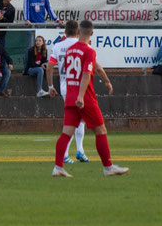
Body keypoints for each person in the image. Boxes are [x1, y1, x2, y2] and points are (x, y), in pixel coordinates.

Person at [52, 20, 128, 178]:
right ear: (92, 33)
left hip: (70, 95)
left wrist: (78, 94)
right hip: (84, 97)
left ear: (78, 31)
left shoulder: (70, 50)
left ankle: (58, 166)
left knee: (66, 133)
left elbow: (77, 69)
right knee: (101, 130)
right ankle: (108, 167)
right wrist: (81, 95)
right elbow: (86, 74)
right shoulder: (89, 51)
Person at [46, 20, 89, 164]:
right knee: (75, 120)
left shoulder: (58, 46)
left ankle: (80, 151)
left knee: (80, 119)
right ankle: (66, 154)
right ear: (78, 31)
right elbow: (89, 69)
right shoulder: (83, 45)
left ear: (64, 32)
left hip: (65, 86)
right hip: (78, 86)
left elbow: (50, 67)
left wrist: (51, 86)